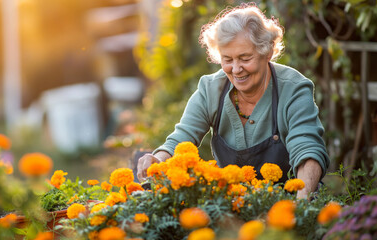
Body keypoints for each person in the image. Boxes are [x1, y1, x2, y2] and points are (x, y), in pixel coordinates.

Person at [137, 3, 329, 199]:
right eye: (227, 59)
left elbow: (308, 150)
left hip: (288, 200)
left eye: (245, 58)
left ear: (268, 52)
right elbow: (181, 139)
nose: (236, 69)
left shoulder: (293, 89)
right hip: (231, 204)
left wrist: (301, 206)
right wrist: (158, 159)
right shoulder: (211, 89)